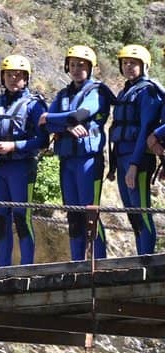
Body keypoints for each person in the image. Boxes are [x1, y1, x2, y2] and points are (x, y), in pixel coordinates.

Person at [42, 46, 115, 261]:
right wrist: (64, 127)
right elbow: (45, 126)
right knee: (73, 216)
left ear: (90, 67)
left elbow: (81, 114)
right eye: (72, 65)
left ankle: (99, 262)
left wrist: (52, 119)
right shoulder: (63, 94)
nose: (76, 69)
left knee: (90, 213)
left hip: (88, 161)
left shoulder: (98, 92)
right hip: (67, 161)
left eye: (81, 65)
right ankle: (77, 264)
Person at [0, 54, 49, 266]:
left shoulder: (35, 105)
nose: (13, 78)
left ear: (26, 78)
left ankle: (26, 266)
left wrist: (14, 146)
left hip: (21, 167)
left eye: (18, 75)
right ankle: (3, 267)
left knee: (21, 217)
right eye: (9, 75)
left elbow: (43, 140)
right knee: (0, 218)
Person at [110, 44, 164, 256]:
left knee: (142, 211)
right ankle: (141, 256)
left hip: (138, 158)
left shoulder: (148, 91)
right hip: (122, 158)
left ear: (144, 65)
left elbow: (145, 129)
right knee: (132, 214)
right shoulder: (126, 91)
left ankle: (146, 262)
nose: (129, 66)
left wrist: (133, 164)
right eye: (125, 63)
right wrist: (115, 166)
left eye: (133, 63)